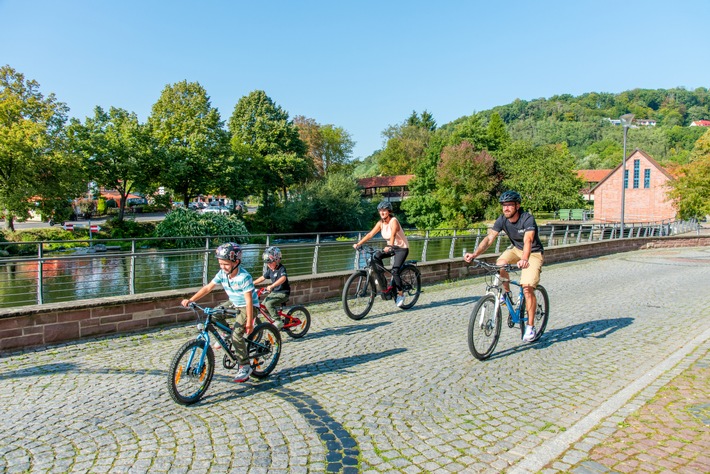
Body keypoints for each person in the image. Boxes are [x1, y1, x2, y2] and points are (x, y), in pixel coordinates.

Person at [464, 191, 544, 343]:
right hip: (515, 250)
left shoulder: (527, 219)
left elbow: (528, 240)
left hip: (532, 253)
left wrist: (525, 259)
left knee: (527, 288)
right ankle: (506, 293)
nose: (506, 208)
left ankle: (530, 327)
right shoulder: (502, 220)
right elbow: (489, 239)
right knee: (500, 264)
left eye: (509, 205)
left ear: (517, 206)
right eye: (504, 206)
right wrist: (475, 254)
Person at [181, 242, 258, 383]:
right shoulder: (222, 274)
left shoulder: (244, 277)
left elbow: (248, 301)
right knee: (215, 314)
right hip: (234, 302)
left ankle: (245, 365)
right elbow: (208, 288)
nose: (223, 267)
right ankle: (226, 333)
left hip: (248, 306)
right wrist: (191, 299)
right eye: (220, 263)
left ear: (237, 261)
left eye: (226, 264)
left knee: (237, 336)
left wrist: (249, 323)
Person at [353, 200, 410, 307]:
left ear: (389, 211)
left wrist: (389, 246)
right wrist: (358, 243)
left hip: (401, 248)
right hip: (391, 247)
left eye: (384, 210)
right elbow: (370, 234)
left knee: (395, 271)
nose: (382, 213)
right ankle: (382, 279)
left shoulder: (394, 221)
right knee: (376, 256)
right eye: (380, 211)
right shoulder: (380, 223)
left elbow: (393, 234)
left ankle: (401, 294)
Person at [253, 246, 290, 330]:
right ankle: (274, 318)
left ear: (277, 260)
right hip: (274, 293)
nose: (268, 265)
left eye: (270, 262)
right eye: (267, 263)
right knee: (262, 306)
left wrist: (272, 286)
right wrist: (252, 283)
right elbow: (263, 277)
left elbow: (283, 278)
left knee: (268, 304)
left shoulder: (281, 268)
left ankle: (278, 321)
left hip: (283, 293)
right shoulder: (270, 270)